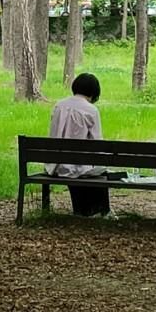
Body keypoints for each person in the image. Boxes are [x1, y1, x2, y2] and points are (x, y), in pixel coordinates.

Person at [47, 72, 111, 217]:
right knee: (97, 172)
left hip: (56, 165)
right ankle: (101, 211)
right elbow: (97, 143)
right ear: (94, 92)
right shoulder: (91, 110)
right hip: (79, 165)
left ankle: (81, 210)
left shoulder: (59, 106)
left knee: (73, 166)